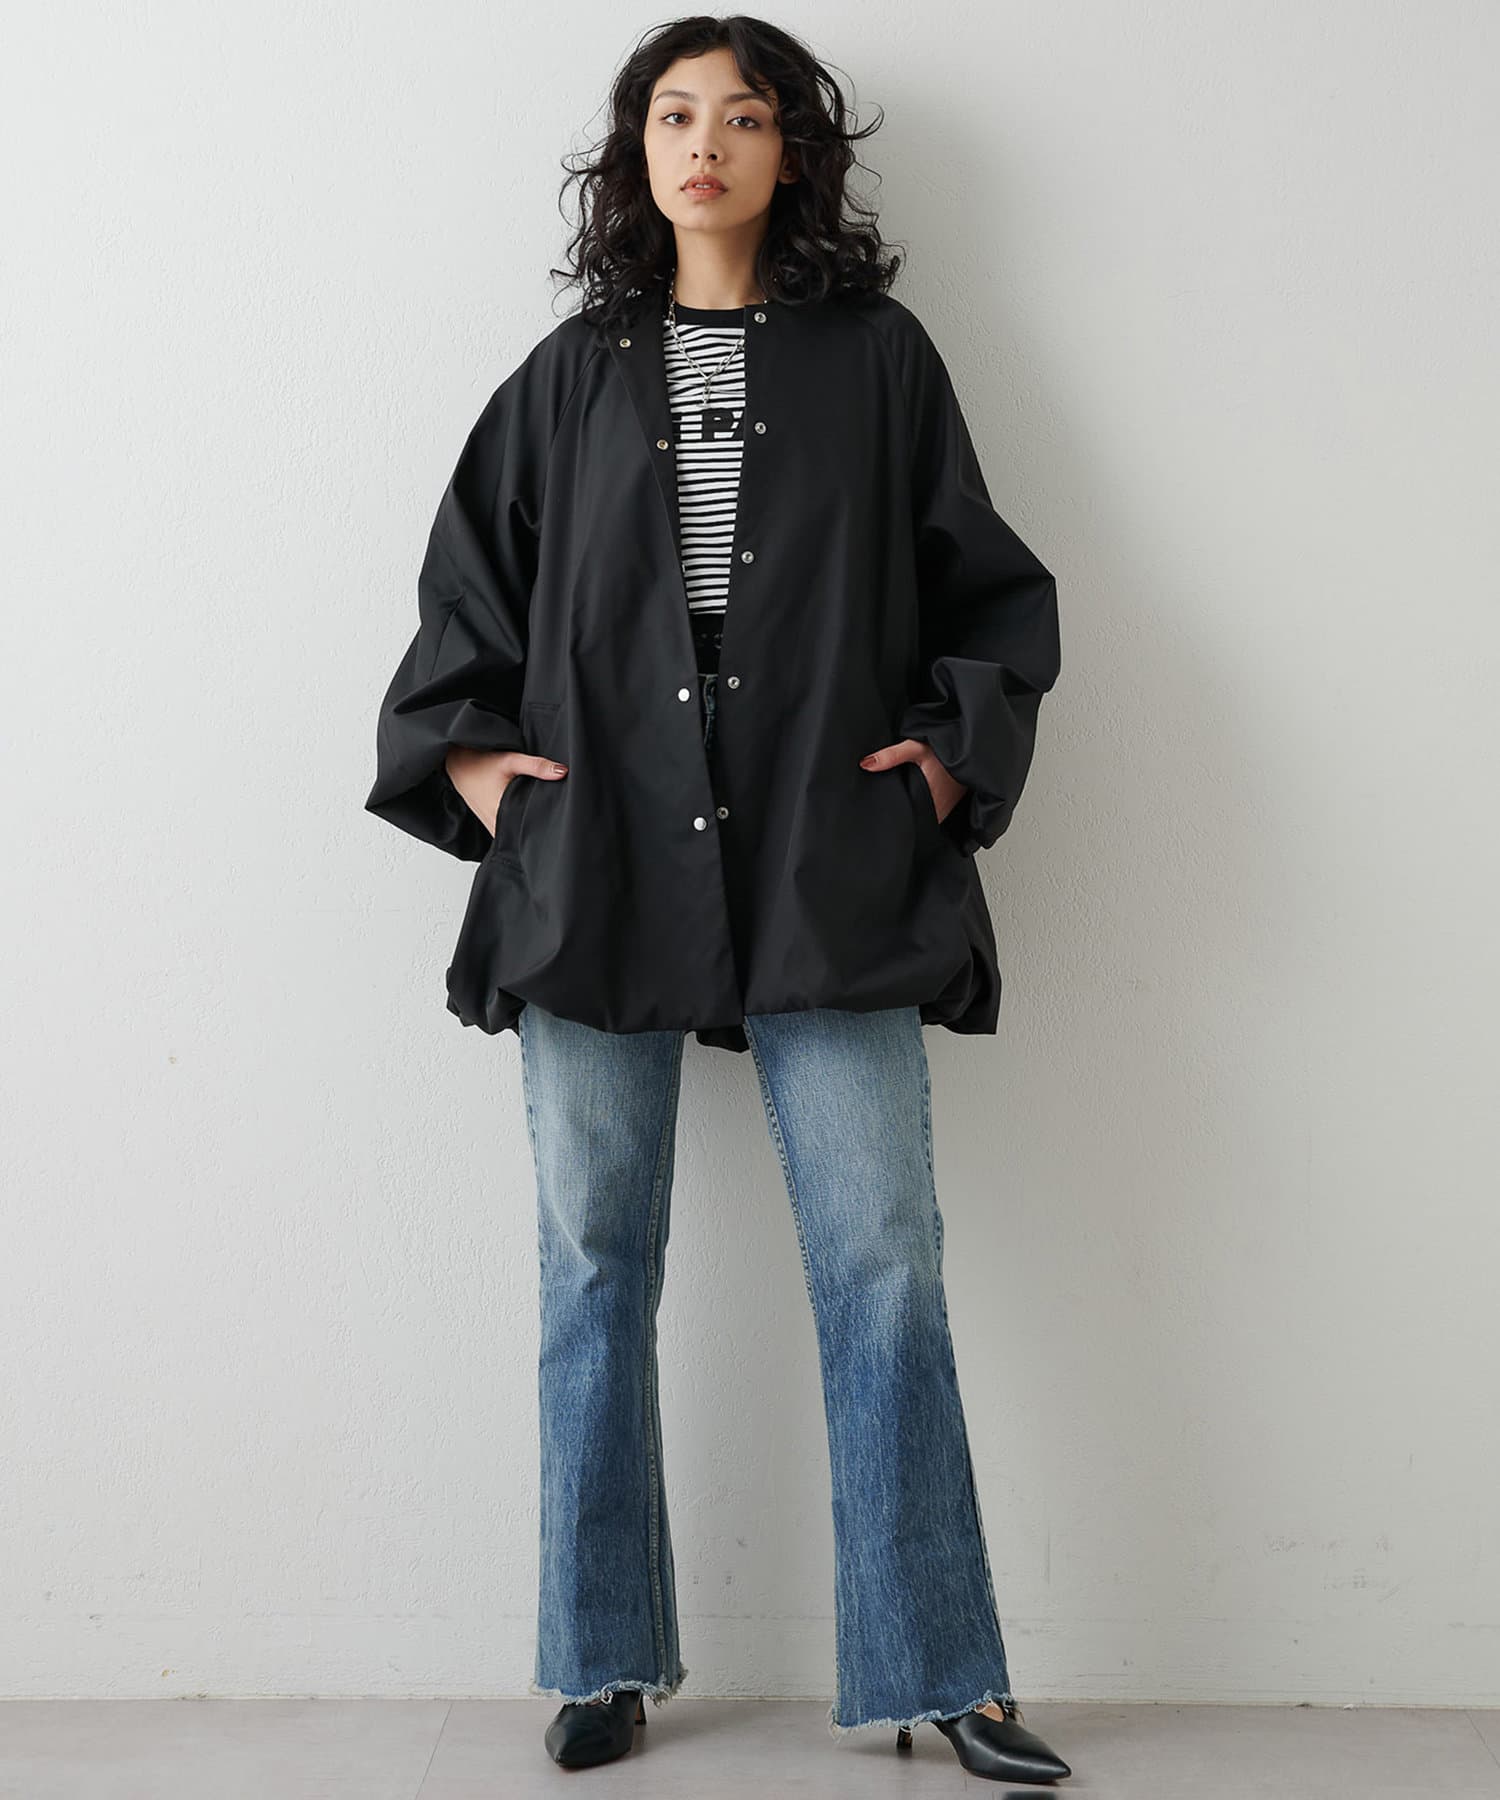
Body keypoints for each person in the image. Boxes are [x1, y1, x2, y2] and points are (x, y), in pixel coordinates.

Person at [365, 14, 1070, 1785]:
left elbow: (989, 593)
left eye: (743, 116)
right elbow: (465, 600)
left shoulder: (880, 360)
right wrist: (479, 774)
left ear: (790, 152)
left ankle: (944, 1668)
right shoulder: (569, 374)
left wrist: (941, 764)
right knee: (594, 1263)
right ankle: (601, 1654)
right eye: (674, 114)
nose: (705, 143)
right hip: (599, 861)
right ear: (637, 152)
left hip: (829, 860)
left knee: (885, 1265)